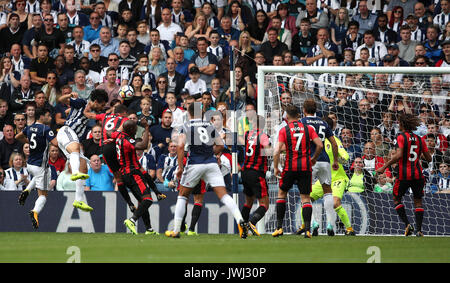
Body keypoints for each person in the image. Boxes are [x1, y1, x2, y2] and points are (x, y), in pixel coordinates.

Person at [165, 102, 250, 239]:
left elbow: (180, 146)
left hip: (194, 163)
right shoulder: (209, 125)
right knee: (223, 195)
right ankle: (240, 220)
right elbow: (221, 145)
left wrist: (180, 168)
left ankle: (175, 230)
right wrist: (210, 153)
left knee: (182, 195)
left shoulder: (186, 126)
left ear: (189, 113)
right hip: (211, 163)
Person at [298, 116, 356, 236]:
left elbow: (346, 157)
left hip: (338, 178)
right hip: (323, 178)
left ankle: (349, 229)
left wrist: (338, 160)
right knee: (305, 200)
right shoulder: (313, 141)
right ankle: (309, 225)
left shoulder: (334, 140)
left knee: (335, 202)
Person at [376, 113, 432, 237]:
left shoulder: (401, 137)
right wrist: (418, 154)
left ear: (402, 124)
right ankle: (419, 231)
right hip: (418, 175)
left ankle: (407, 225)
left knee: (396, 199)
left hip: (404, 175)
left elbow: (399, 155)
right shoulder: (420, 139)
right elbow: (429, 159)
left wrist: (384, 167)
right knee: (418, 202)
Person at [272, 104, 323, 238]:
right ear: (299, 115)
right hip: (305, 167)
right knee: (305, 198)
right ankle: (307, 230)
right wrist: (314, 159)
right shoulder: (308, 129)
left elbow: (277, 150)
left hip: (290, 167)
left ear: (286, 116)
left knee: (282, 193)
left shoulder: (284, 129)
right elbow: (320, 145)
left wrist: (276, 167)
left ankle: (279, 228)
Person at [56, 89, 108, 212]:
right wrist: (69, 95)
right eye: (101, 104)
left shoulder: (89, 111)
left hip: (71, 138)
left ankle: (78, 199)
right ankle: (75, 173)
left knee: (83, 167)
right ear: (95, 101)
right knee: (76, 149)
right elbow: (60, 100)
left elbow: (76, 113)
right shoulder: (82, 102)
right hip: (67, 131)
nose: (102, 107)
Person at [300, 99, 340, 236]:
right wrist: (335, 160)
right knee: (328, 191)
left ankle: (313, 223)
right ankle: (330, 225)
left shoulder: (302, 122)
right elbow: (334, 144)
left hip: (310, 160)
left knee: (305, 195)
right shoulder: (323, 122)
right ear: (315, 110)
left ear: (304, 110)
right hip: (325, 161)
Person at [16, 107, 58, 229]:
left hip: (30, 164)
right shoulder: (45, 129)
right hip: (40, 166)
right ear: (41, 117)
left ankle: (27, 190)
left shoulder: (29, 128)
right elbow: (55, 143)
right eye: (48, 116)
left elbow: (18, 136)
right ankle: (35, 211)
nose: (49, 118)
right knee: (43, 195)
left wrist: (28, 141)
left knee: (42, 174)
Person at [118, 119, 160, 235]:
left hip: (125, 174)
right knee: (148, 199)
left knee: (142, 201)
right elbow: (144, 145)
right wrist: (146, 128)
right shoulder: (128, 141)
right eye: (136, 129)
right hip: (132, 173)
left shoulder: (119, 137)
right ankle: (132, 220)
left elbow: (111, 132)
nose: (137, 131)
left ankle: (149, 229)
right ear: (131, 130)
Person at [240, 114, 271, 236]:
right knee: (264, 204)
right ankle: (252, 222)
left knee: (248, 202)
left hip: (245, 171)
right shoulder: (263, 135)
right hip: (256, 172)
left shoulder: (247, 134)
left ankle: (242, 230)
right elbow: (267, 151)